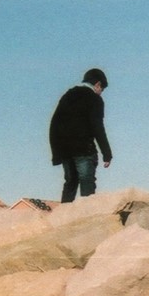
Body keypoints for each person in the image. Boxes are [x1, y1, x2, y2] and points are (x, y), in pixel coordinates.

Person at [49, 68, 113, 203]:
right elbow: (98, 127)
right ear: (97, 84)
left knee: (70, 183)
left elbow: (54, 124)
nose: (101, 93)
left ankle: (63, 219)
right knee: (87, 183)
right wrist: (107, 153)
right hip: (84, 150)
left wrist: (56, 153)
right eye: (102, 89)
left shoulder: (68, 95)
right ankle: (88, 217)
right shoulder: (95, 99)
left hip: (66, 151)